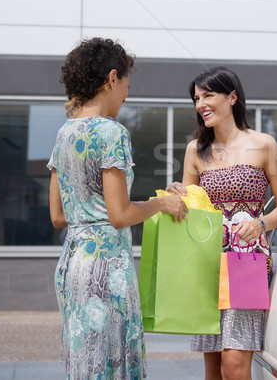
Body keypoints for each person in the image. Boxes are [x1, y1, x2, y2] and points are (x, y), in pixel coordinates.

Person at [47, 37, 188, 379]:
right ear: (112, 78)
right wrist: (160, 203)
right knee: (112, 367)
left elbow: (58, 216)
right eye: (127, 84)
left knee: (85, 368)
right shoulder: (111, 133)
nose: (127, 94)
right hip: (105, 269)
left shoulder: (64, 134)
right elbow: (119, 215)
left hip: (72, 264)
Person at [166, 66, 277, 380]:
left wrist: (261, 224)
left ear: (232, 97)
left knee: (234, 365)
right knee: (212, 365)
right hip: (207, 260)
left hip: (247, 260)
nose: (201, 104)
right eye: (197, 98)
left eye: (208, 95)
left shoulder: (264, 144)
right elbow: (191, 210)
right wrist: (177, 196)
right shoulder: (195, 150)